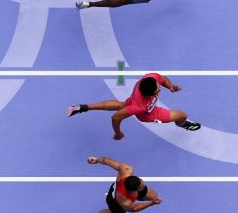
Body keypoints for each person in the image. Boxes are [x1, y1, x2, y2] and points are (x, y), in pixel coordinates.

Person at [67, 72, 201, 140]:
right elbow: (115, 118)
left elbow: (163, 78)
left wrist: (171, 87)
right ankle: (182, 124)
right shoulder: (139, 107)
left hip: (131, 100)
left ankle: (82, 107)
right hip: (150, 114)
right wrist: (118, 133)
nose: (159, 89)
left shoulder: (150, 78)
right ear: (149, 95)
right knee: (182, 115)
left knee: (121, 104)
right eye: (157, 90)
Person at [86, 156, 162, 212]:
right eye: (142, 187)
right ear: (134, 191)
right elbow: (134, 208)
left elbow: (106, 160)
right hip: (115, 202)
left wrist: (97, 160)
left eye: (141, 181)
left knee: (153, 195)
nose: (144, 184)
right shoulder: (125, 202)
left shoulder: (126, 170)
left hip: (129, 190)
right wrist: (151, 203)